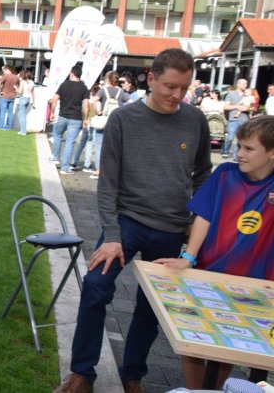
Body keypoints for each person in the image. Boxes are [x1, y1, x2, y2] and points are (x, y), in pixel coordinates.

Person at [54, 48, 212, 393]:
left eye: (184, 88)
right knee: (95, 287)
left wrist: (195, 218)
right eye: (170, 86)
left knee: (150, 307)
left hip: (171, 228)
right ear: (151, 79)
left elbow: (203, 175)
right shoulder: (124, 119)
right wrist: (112, 235)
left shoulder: (195, 119)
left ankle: (132, 376)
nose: (177, 95)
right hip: (127, 222)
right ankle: (82, 374)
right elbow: (107, 183)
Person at [154, 115, 273, 389]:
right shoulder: (225, 174)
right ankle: (197, 391)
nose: (240, 153)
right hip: (209, 272)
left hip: (255, 284)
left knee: (231, 345)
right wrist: (188, 258)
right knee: (192, 340)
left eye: (249, 148)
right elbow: (204, 216)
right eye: (239, 146)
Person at [86, 71, 129, 179]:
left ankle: (99, 170)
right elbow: (131, 102)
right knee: (115, 147)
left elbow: (92, 102)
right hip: (116, 122)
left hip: (103, 121)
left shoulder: (103, 90)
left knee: (100, 146)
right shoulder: (121, 92)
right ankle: (113, 170)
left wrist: (97, 112)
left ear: (108, 79)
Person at [49, 65, 89, 175]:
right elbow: (86, 105)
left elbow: (55, 99)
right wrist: (86, 118)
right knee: (70, 142)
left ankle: (56, 156)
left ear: (71, 73)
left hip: (62, 116)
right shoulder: (84, 88)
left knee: (57, 135)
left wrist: (52, 112)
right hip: (76, 118)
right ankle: (65, 167)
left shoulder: (64, 84)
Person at [222, 78, 253, 159]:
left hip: (244, 119)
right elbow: (226, 106)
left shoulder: (248, 95)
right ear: (238, 84)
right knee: (230, 137)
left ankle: (236, 156)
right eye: (244, 84)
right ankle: (225, 151)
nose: (246, 85)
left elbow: (253, 108)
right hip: (233, 119)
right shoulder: (231, 94)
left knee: (240, 139)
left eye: (246, 84)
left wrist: (247, 109)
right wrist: (237, 107)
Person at [0, 65, 19, 130]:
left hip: (4, 96)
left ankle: (1, 126)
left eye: (4, 70)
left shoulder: (5, 76)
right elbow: (18, 86)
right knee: (10, 113)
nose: (3, 71)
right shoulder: (16, 77)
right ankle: (9, 127)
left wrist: (0, 91)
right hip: (12, 96)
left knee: (3, 112)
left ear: (7, 69)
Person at [16, 70, 35, 135]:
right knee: (21, 115)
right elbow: (32, 93)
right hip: (28, 99)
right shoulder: (32, 82)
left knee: (22, 116)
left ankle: (23, 131)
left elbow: (20, 91)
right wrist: (33, 102)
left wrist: (16, 88)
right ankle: (22, 130)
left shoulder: (23, 82)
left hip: (23, 98)